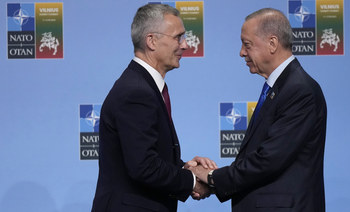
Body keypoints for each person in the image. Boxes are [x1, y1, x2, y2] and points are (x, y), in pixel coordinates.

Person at [189, 8, 327, 212]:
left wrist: (210, 177)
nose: (241, 52)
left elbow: (269, 160)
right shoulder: (282, 88)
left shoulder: (299, 91)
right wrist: (211, 181)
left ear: (272, 43)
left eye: (247, 45)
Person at [91, 4, 216, 212]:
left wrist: (183, 167)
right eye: (178, 37)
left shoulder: (142, 86)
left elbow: (146, 155)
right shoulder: (136, 92)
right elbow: (144, 166)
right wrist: (192, 181)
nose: (185, 45)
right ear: (151, 41)